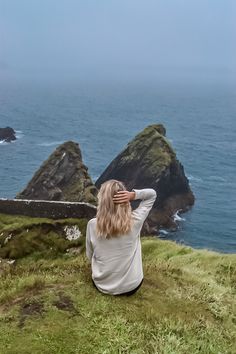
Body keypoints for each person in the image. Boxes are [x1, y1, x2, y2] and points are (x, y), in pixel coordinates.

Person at [86, 179, 157, 296]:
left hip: (102, 285)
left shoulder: (93, 224)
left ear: (102, 201)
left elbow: (89, 255)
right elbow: (152, 194)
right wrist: (133, 195)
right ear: (125, 200)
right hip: (131, 287)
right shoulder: (136, 221)